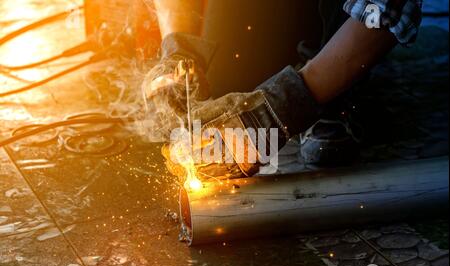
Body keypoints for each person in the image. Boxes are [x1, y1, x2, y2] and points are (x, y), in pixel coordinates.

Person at [147, 0, 423, 176]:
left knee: (276, 111)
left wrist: (284, 103)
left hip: (349, 12)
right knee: (228, 78)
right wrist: (179, 51)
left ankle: (333, 94)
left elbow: (389, 9)